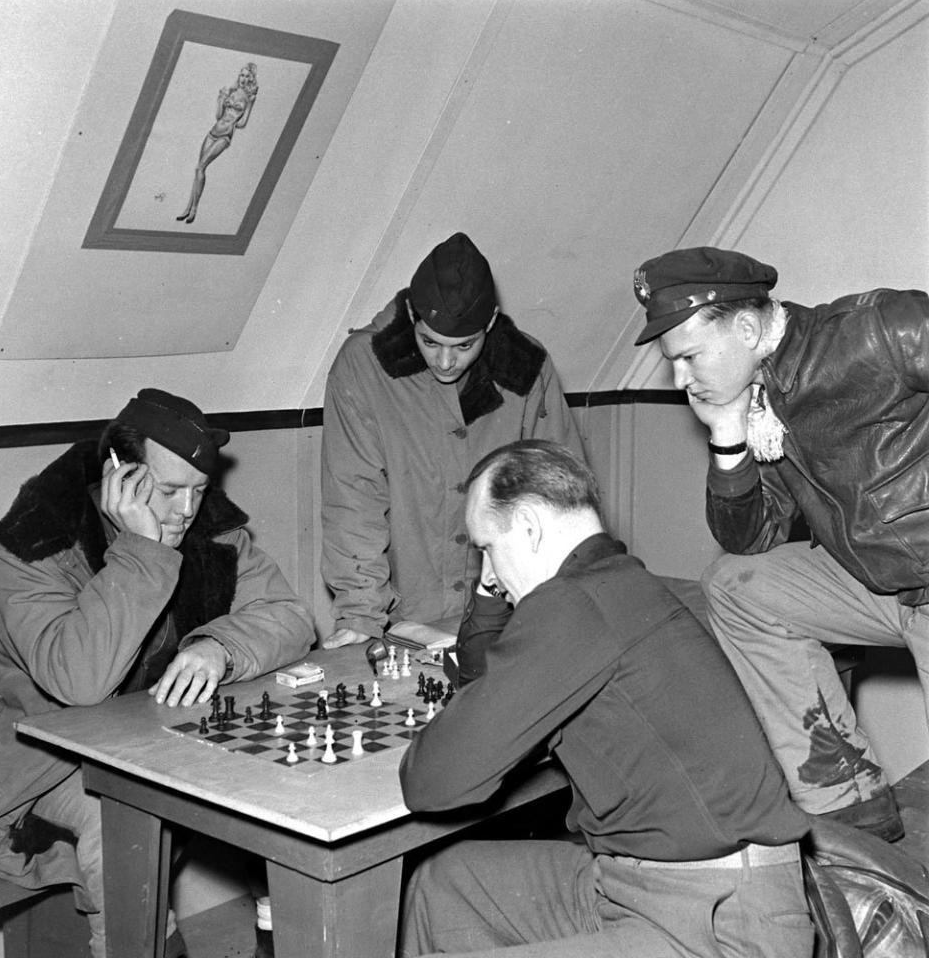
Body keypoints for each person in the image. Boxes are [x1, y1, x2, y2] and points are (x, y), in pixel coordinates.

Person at [398, 439, 812, 958]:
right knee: (446, 882)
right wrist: (490, 591)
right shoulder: (614, 581)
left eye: (487, 547)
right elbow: (488, 681)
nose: (490, 568)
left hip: (719, 919)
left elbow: (432, 782)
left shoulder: (573, 605)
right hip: (642, 883)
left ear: (528, 525)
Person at [0, 388, 315, 958]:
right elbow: (78, 681)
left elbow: (290, 616)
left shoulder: (211, 532)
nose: (186, 512)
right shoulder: (35, 542)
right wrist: (141, 549)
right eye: (171, 490)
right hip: (30, 752)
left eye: (199, 492)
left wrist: (219, 646)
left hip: (142, 734)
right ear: (119, 478)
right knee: (119, 825)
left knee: (280, 775)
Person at [631, 245, 929, 843]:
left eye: (688, 357)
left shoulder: (878, 332)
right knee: (735, 586)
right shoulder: (761, 395)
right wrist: (727, 437)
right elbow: (752, 538)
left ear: (745, 327)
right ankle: (849, 803)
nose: (681, 380)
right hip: (876, 582)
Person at [321, 231, 584, 649]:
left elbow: (561, 501)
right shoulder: (362, 367)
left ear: (491, 324)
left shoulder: (528, 367)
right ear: (411, 315)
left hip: (512, 607)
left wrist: (557, 607)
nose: (445, 361)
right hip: (405, 614)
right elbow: (353, 498)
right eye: (430, 342)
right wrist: (359, 612)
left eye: (464, 345)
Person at [177, 62, 258, 224]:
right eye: (241, 75)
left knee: (201, 167)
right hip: (213, 132)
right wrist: (221, 99)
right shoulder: (231, 91)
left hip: (225, 136)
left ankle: (194, 209)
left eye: (247, 76)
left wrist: (249, 106)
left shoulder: (249, 98)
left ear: (251, 79)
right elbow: (219, 115)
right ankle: (187, 207)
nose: (243, 78)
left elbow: (241, 124)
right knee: (198, 168)